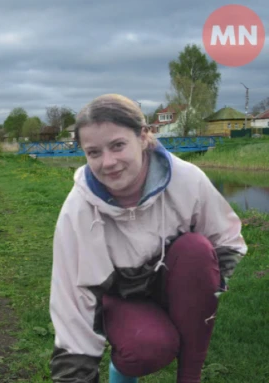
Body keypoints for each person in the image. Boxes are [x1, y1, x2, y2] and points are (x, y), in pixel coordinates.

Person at [49, 94, 247, 383]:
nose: (108, 163)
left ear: (143, 136)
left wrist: (203, 291)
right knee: (149, 346)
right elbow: (71, 303)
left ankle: (190, 377)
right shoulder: (77, 212)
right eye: (93, 152)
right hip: (120, 297)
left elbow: (227, 240)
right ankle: (125, 368)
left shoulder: (186, 178)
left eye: (118, 145)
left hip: (173, 280)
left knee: (196, 250)